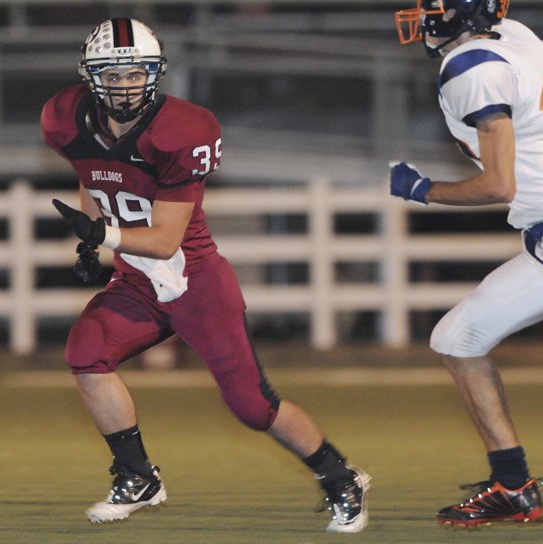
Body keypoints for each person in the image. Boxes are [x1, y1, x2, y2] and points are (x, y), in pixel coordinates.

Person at [40, 18, 370, 532]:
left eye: (137, 74)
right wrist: (94, 234)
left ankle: (338, 474)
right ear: (91, 77)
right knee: (85, 352)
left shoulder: (182, 130)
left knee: (252, 406)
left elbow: (165, 240)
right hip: (137, 279)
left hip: (194, 281)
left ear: (156, 73)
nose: (126, 85)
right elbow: (94, 177)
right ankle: (138, 475)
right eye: (114, 74)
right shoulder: (67, 119)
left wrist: (101, 236)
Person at [391, 0, 543, 528]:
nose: (421, 14)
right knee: (457, 338)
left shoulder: (470, 67)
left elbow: (500, 185)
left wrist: (422, 190)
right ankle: (513, 486)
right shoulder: (514, 34)